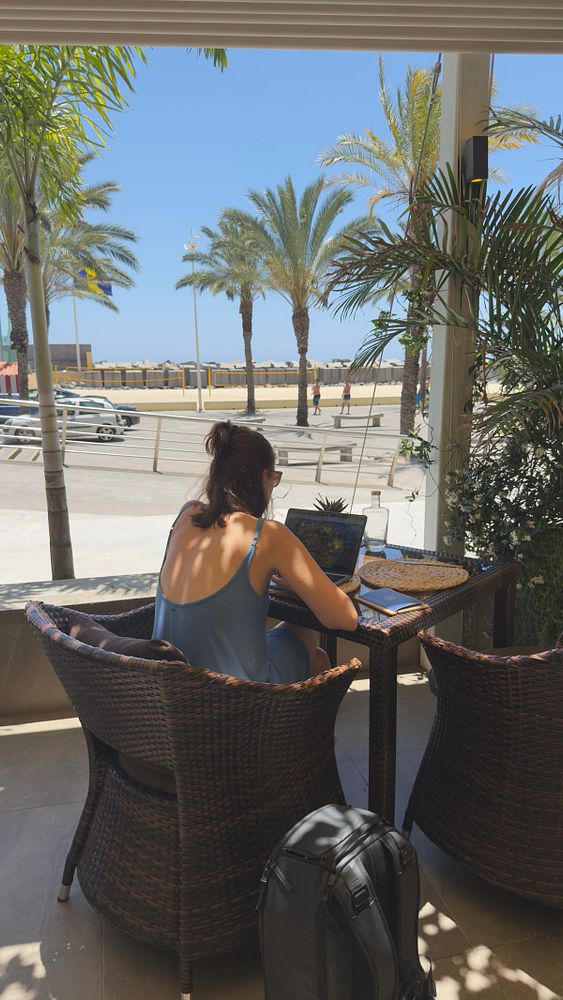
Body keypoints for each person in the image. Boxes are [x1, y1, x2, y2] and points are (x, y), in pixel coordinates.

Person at [152, 420, 357, 683]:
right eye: (274, 478)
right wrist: (299, 587)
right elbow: (346, 619)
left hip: (170, 692)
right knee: (305, 634)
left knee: (316, 658)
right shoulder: (267, 535)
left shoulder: (187, 515)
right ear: (263, 477)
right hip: (237, 700)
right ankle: (298, 722)